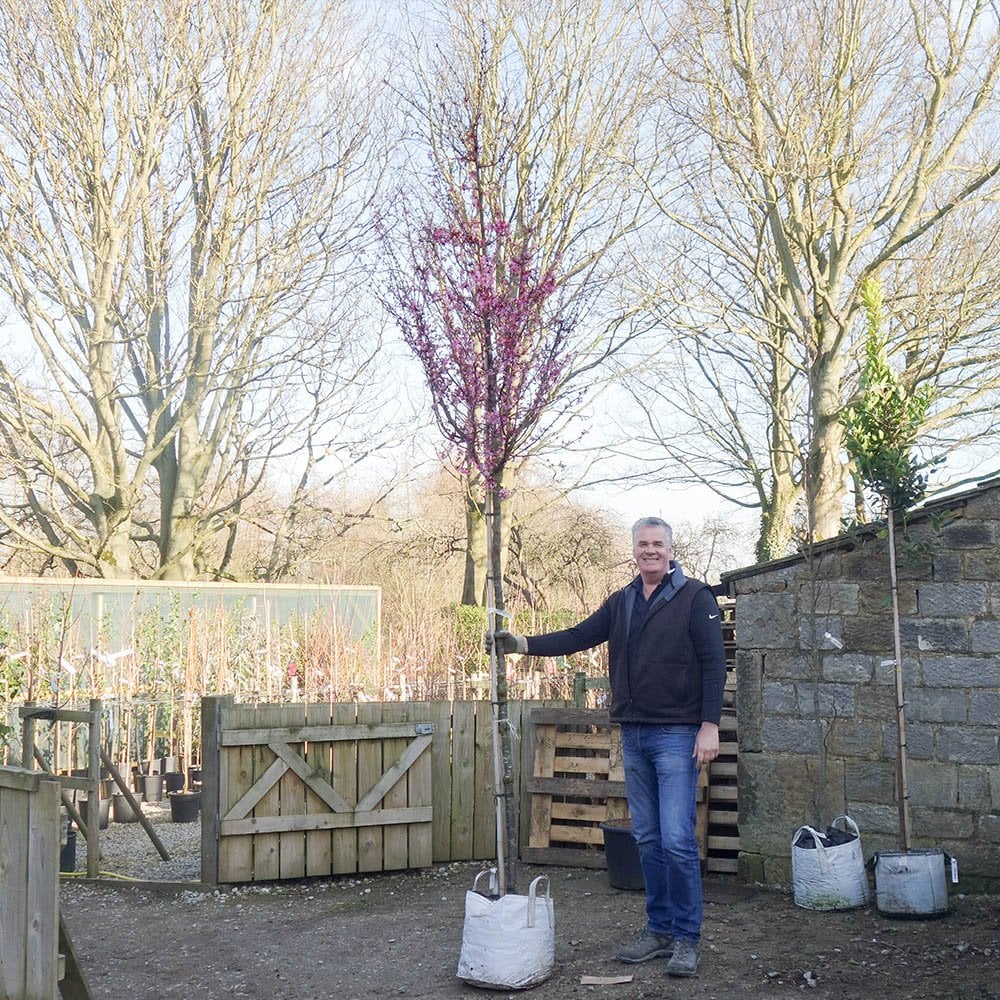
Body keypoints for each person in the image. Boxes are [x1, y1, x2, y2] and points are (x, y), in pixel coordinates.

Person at [487, 517, 725, 978]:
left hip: (677, 734)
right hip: (633, 734)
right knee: (649, 838)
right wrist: (521, 643)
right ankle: (658, 931)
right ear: (633, 550)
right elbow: (577, 637)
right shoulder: (623, 602)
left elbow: (715, 664)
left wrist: (709, 726)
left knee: (677, 838)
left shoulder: (696, 599)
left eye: (658, 544)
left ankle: (687, 938)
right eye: (643, 544)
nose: (650, 551)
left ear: (670, 550)